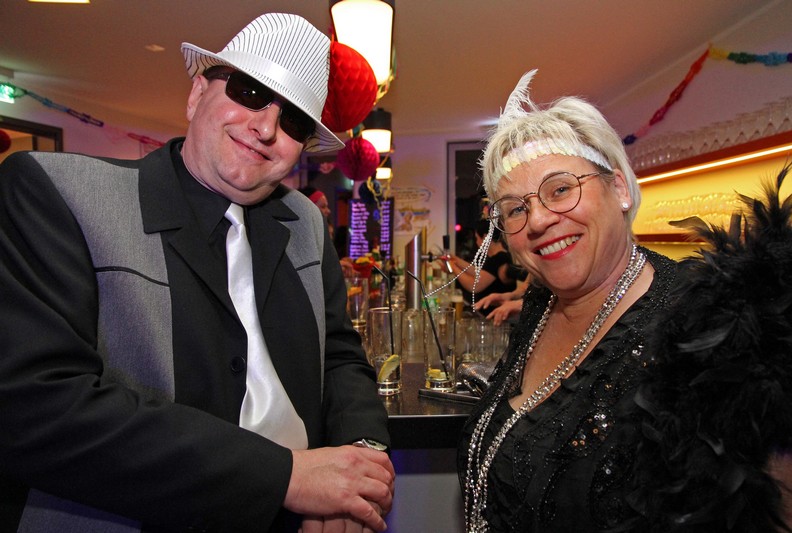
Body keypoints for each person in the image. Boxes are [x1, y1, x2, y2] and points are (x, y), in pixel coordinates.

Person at [0, 13, 393, 533]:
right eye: (250, 92)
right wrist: (286, 478)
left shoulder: (304, 222)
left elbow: (339, 356)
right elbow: (37, 406)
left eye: (295, 121)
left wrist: (360, 459)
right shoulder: (61, 194)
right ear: (196, 95)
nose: (266, 128)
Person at [458, 68, 792, 533]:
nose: (537, 220)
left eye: (561, 189)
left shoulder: (710, 324)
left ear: (618, 188)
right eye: (516, 208)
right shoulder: (543, 303)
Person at [445, 219, 518, 315]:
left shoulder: (499, 259)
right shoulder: (499, 256)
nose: (476, 243)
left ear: (484, 237)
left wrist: (453, 267)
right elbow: (478, 272)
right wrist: (456, 260)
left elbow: (474, 286)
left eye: (477, 238)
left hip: (495, 316)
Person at [300, 185, 355, 277]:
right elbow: (308, 269)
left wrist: (338, 262)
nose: (328, 211)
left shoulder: (320, 230)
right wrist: (336, 265)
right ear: (309, 208)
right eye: (323, 206)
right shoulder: (302, 236)